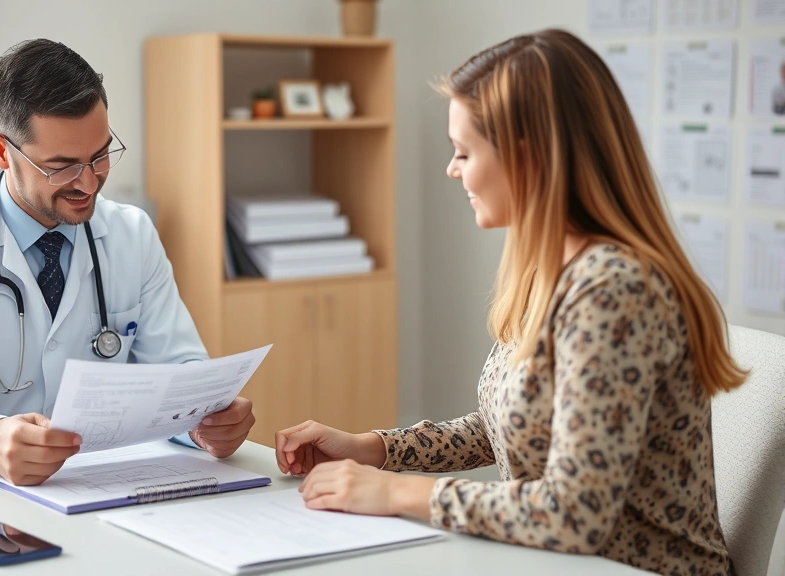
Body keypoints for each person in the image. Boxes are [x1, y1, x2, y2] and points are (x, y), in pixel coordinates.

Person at [274, 29, 744, 576]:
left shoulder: (614, 290)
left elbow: (575, 513)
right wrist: (372, 448)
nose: (453, 170)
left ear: (527, 156)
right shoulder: (548, 271)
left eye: (464, 152)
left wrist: (397, 494)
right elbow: (502, 426)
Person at [0, 39, 255, 485]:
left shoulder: (133, 233)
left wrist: (205, 421)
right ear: (0, 150)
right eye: (62, 166)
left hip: (112, 483)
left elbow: (178, 370)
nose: (89, 183)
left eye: (101, 155)